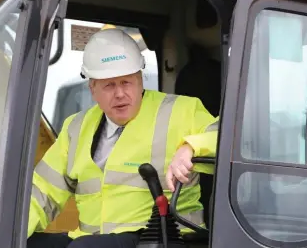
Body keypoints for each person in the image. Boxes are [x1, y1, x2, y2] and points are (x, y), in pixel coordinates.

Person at [27, 28, 219, 248]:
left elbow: (225, 137)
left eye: (126, 82)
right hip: (93, 239)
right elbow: (42, 191)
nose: (119, 93)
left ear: (140, 79)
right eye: (109, 85)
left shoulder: (182, 110)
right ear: (93, 88)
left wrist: (191, 148)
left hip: (160, 237)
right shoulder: (76, 127)